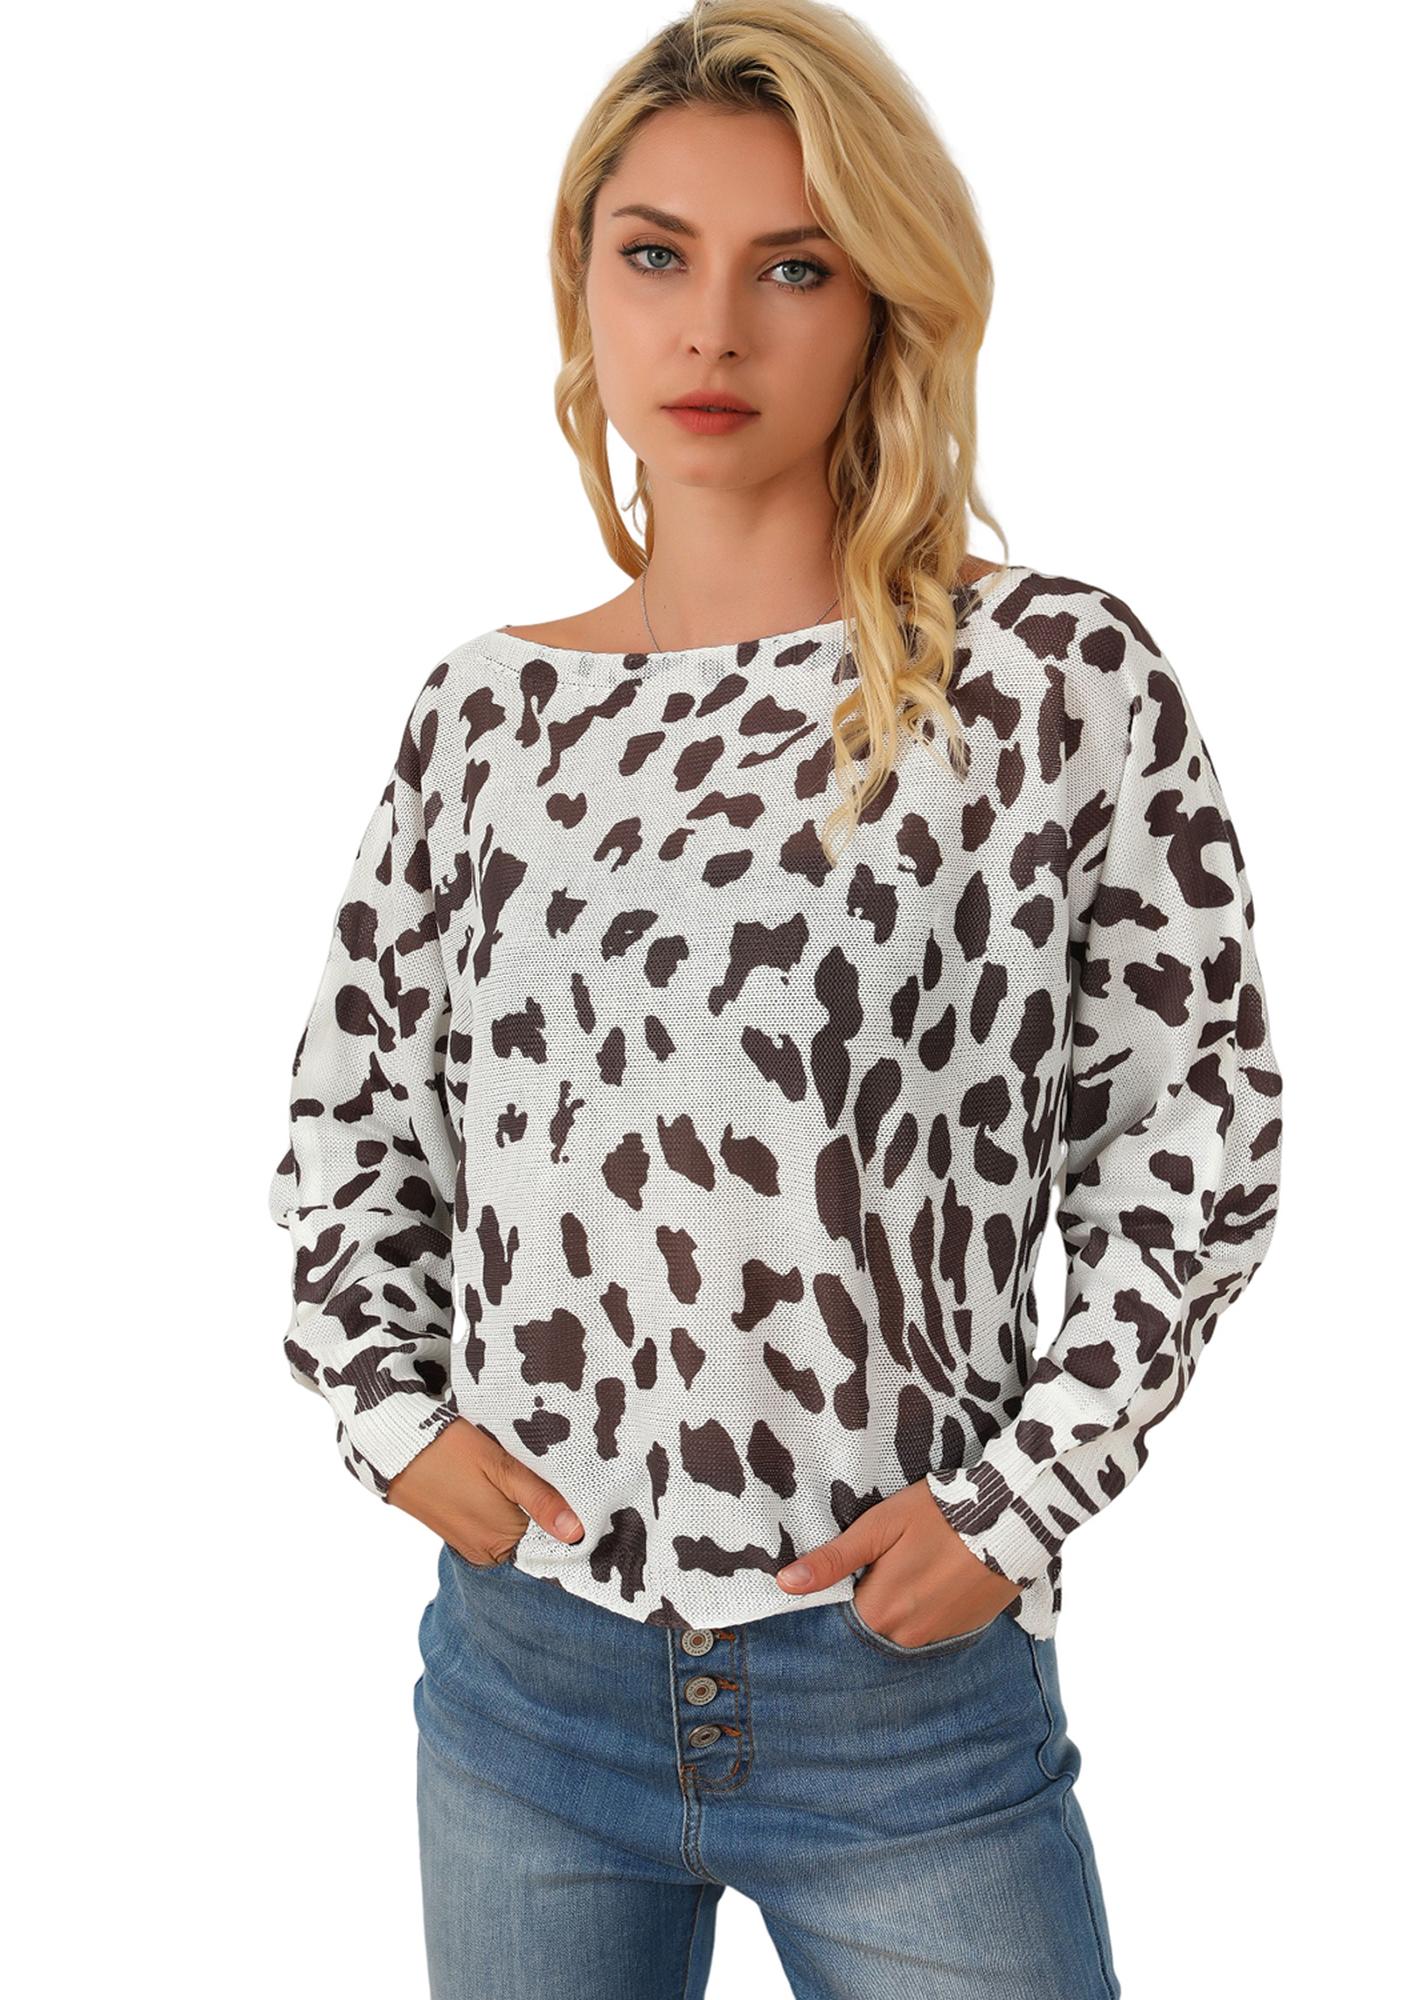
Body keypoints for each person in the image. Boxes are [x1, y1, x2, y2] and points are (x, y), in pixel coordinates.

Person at [267, 4, 1284, 1993]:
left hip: (900, 1699)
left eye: (792, 268)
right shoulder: (487, 714)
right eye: (655, 255)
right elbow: (353, 1116)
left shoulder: (1046, 684)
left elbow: (1200, 1129)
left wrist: (1021, 1500)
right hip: (528, 1684)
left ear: (884, 296)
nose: (712, 330)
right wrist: (385, 1413)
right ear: (581, 284)